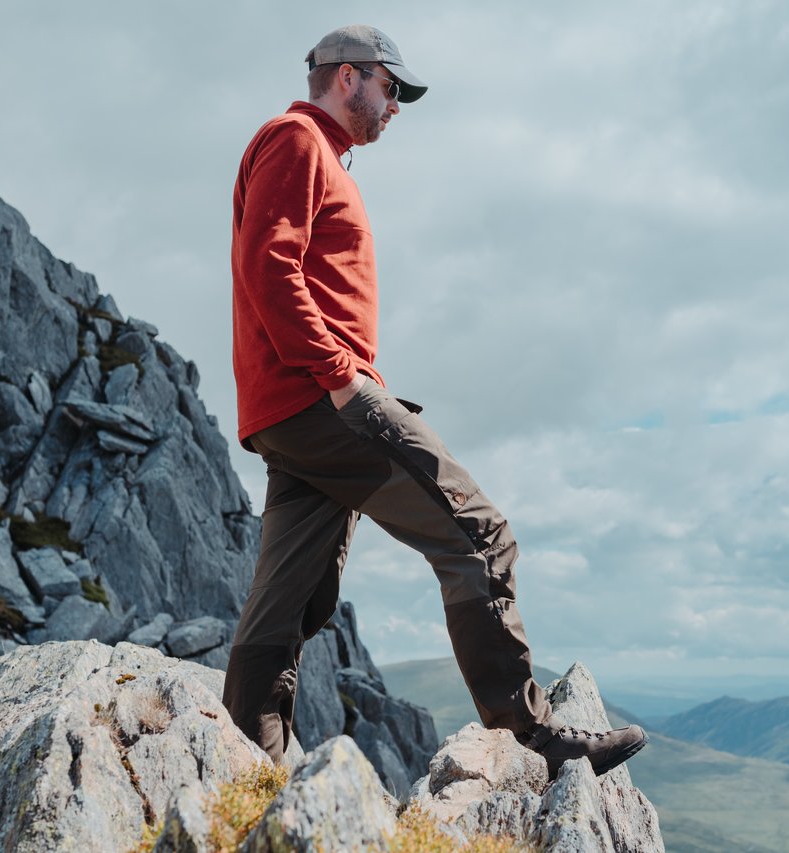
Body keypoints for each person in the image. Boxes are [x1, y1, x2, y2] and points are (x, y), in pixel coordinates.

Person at [223, 24, 647, 778]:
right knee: (479, 537)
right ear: (348, 77)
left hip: (288, 417)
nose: (397, 106)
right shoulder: (296, 140)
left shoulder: (315, 153)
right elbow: (270, 265)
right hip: (324, 400)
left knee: (289, 599)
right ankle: (534, 740)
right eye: (392, 88)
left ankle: (246, 766)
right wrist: (339, 375)